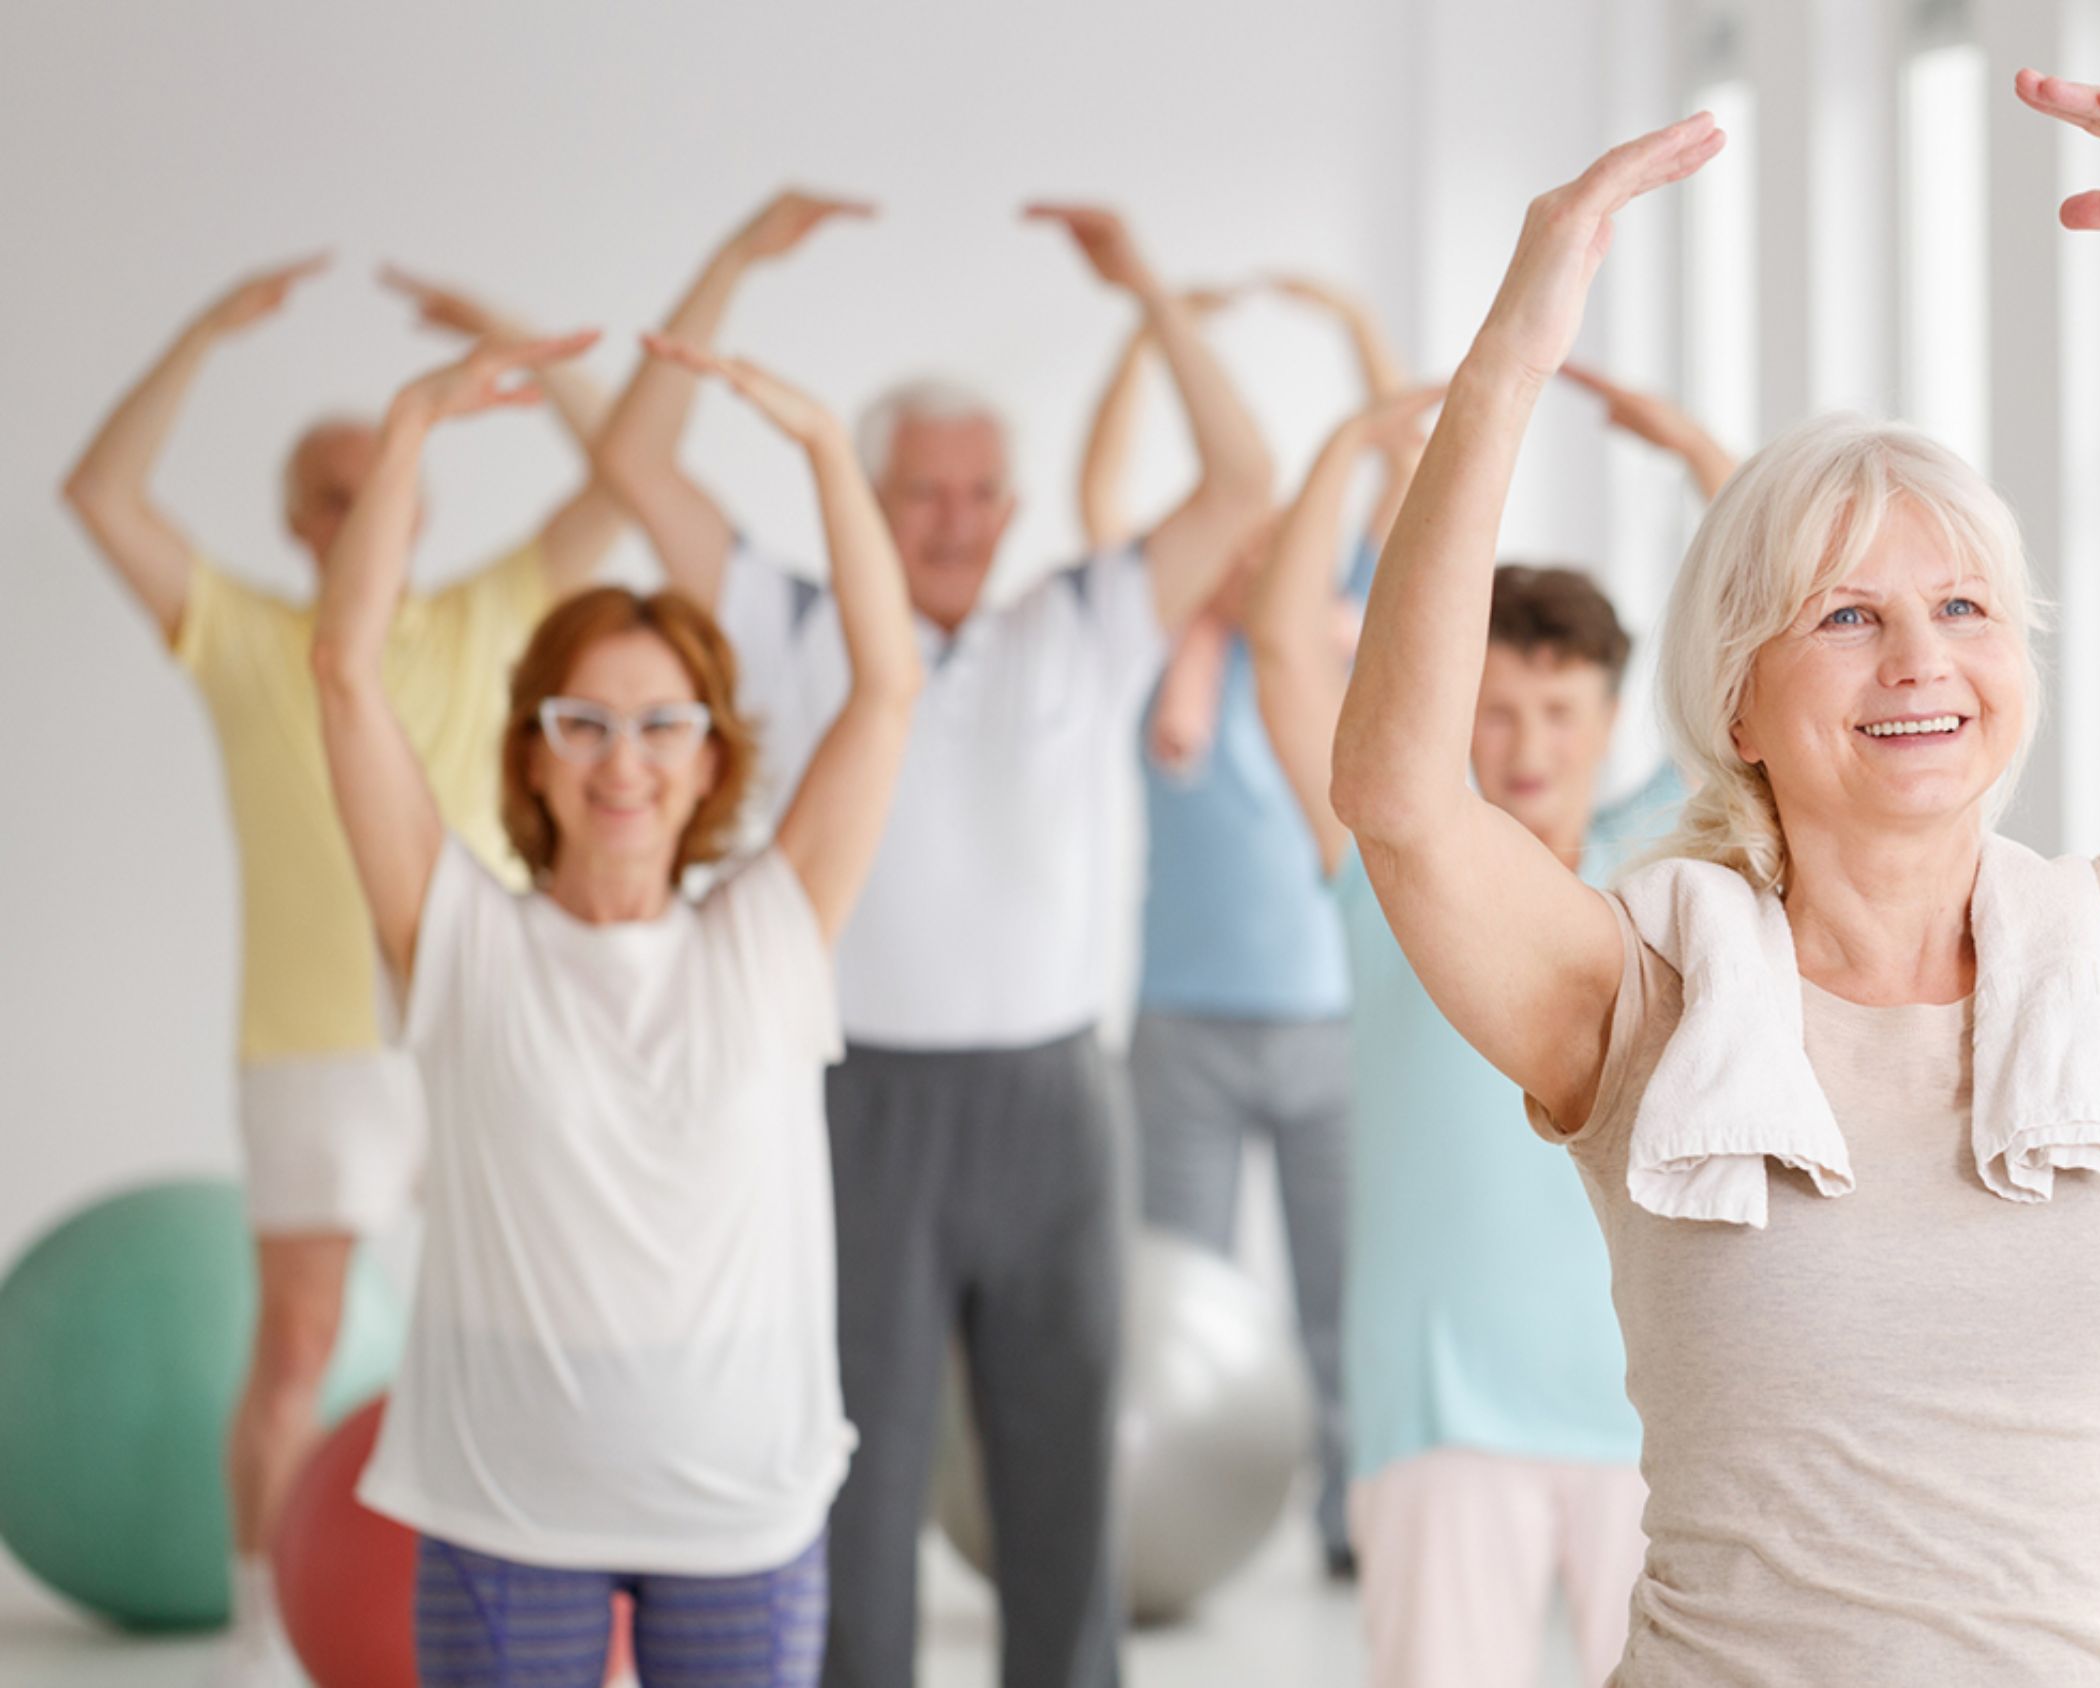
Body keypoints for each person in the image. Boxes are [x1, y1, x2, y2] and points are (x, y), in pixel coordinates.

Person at [1328, 74, 2100, 1686]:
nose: (1920, 659)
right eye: (1846, 615)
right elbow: (1402, 799)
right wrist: (1508, 366)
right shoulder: (1643, 999)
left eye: (1966, 608)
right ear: (1736, 703)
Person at [596, 190, 1273, 1688]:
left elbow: (1241, 480)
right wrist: (730, 263)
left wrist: (1146, 287)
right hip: (859, 1105)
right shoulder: (787, 623)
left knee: (1063, 1481)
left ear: (1013, 511)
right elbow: (634, 461)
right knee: (860, 1479)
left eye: (979, 495)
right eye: (920, 493)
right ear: (868, 496)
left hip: (1052, 1105)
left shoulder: (1081, 626)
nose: (953, 522)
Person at [314, 328, 919, 1687]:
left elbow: (887, 688)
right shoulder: (458, 939)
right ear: (532, 751)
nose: (623, 762)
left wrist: (829, 451)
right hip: (507, 1507)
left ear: (710, 759)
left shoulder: (770, 934)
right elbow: (345, 672)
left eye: (663, 726)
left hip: (740, 1507)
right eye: (582, 723)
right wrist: (408, 431)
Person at [56, 257, 621, 1686]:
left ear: (418, 504)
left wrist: (515, 344)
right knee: (300, 1350)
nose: (360, 508)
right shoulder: (248, 640)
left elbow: (629, 477)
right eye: (329, 491)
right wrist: (198, 329)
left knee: (535, 1332)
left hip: (483, 1034)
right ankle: (263, 1638)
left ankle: (563, 1618)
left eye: (382, 483)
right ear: (298, 521)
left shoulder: (495, 615)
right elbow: (101, 494)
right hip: (313, 1048)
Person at [1243, 367, 1723, 1687]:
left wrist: (1694, 451)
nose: (1527, 745)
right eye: (1495, 712)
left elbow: (1764, 635)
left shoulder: (1663, 858)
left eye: (1559, 713)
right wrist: (1347, 448)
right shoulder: (1395, 859)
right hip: (1440, 1411)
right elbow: (1281, 650)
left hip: (1653, 1403)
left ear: (1609, 720)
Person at [1077, 272, 1418, 1579]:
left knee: (1341, 1293)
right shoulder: (1153, 662)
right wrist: (1142, 335)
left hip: (1334, 1024)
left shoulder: (1329, 653)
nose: (1251, 561)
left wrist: (1356, 327)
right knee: (1173, 1293)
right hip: (1185, 1030)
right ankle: (1162, 1521)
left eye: (1275, 545)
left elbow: (1405, 473)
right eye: (1234, 545)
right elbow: (1100, 499)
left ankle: (1346, 1521)